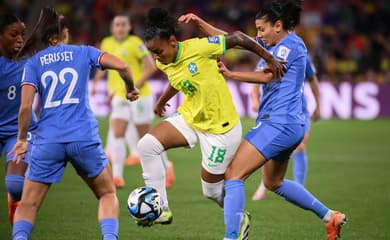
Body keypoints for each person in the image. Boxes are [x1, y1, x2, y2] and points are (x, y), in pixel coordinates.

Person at [183, 1, 346, 239]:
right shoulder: (278, 43)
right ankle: (329, 216)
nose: (258, 34)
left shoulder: (288, 45)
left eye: (261, 29)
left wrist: (231, 74)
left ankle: (232, 235)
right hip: (290, 126)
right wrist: (199, 23)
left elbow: (269, 75)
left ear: (278, 26)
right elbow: (233, 40)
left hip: (278, 123)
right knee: (273, 182)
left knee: (233, 175)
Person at [136, 7, 285, 226]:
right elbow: (177, 78)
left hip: (221, 129)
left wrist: (269, 58)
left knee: (212, 192)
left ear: (173, 42)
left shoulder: (199, 47)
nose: (155, 57)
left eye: (158, 51)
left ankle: (238, 218)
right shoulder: (163, 60)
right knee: (146, 146)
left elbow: (239, 38)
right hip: (191, 117)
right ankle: (161, 209)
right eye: (152, 53)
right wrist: (162, 100)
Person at [9, 7, 139, 240]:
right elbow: (123, 66)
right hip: (83, 137)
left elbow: (26, 108)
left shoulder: (34, 63)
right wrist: (130, 89)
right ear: (61, 35)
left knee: (28, 203)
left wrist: (21, 140)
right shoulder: (83, 52)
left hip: (48, 141)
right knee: (108, 193)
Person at [91, 12, 174, 188]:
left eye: (123, 25)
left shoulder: (136, 43)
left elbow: (151, 68)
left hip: (140, 96)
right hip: (120, 96)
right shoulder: (106, 43)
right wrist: (96, 83)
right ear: (112, 27)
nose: (120, 28)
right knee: (117, 134)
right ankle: (117, 177)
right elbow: (103, 66)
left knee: (146, 137)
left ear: (129, 27)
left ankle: (167, 166)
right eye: (117, 25)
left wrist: (134, 86)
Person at [251, 53, 321, 200]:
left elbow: (312, 79)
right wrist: (255, 101)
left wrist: (319, 105)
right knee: (269, 149)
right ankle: (265, 184)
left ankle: (299, 188)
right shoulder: (266, 54)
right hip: (272, 113)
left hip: (298, 111)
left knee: (300, 146)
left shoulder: (300, 54)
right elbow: (256, 80)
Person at [0, 13, 37, 226]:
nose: (20, 39)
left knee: (15, 185)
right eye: (14, 34)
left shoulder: (29, 62)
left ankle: (14, 204)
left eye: (23, 34)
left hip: (18, 131)